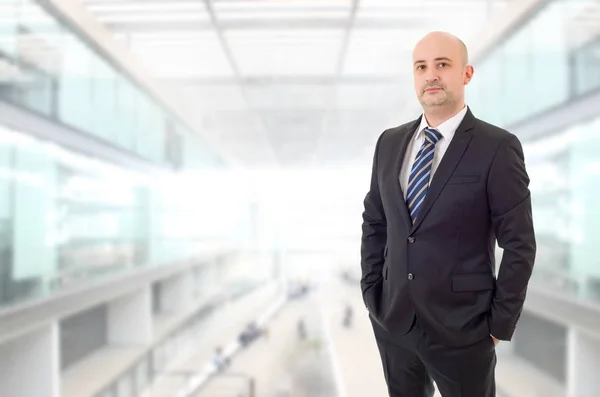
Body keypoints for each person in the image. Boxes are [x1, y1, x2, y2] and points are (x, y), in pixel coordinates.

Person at [360, 31, 536, 397]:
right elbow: (375, 221)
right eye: (421, 67)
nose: (431, 75)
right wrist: (372, 289)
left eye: (442, 64)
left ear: (466, 74)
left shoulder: (497, 147)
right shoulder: (389, 142)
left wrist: (499, 324)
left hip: (464, 329)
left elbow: (519, 244)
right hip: (394, 323)